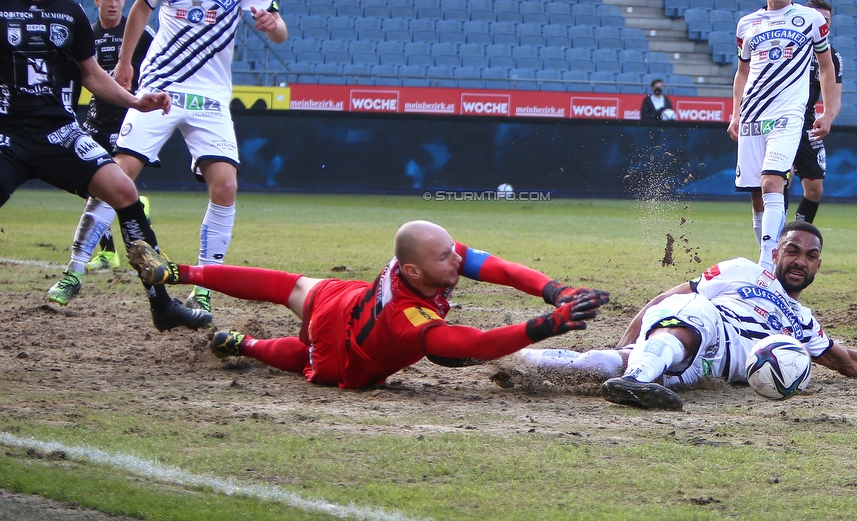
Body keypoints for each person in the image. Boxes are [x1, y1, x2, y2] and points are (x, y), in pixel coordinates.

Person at [0, 0, 210, 331]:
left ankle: (162, 305)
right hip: (7, 135)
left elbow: (93, 76)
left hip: (59, 133)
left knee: (124, 191)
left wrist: (136, 100)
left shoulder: (70, 13)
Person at [520, 221, 857, 410]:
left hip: (716, 368)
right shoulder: (740, 271)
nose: (800, 261)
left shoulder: (802, 320)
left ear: (817, 266)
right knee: (691, 312)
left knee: (598, 366)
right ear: (776, 252)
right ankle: (517, 359)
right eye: (792, 250)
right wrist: (630, 339)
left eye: (810, 256)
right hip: (704, 324)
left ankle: (629, 374)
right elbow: (667, 298)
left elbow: (850, 362)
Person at [126, 220, 611, 389]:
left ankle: (177, 272)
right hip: (349, 352)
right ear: (415, 272)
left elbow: (500, 268)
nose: (456, 260)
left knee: (286, 286)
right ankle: (246, 344)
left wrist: (554, 291)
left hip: (347, 302)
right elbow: (478, 346)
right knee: (307, 360)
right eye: (447, 257)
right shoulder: (409, 319)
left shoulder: (418, 262)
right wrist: (553, 322)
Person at [112, 0, 288, 315]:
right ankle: (74, 268)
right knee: (116, 176)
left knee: (226, 186)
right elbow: (139, 9)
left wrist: (271, 26)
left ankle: (205, 285)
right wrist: (125, 61)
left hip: (210, 98)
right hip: (161, 88)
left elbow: (281, 31)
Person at [47, 0, 156, 305]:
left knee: (110, 186)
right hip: (96, 119)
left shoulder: (138, 33)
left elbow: (158, 65)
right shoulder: (88, 34)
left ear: (124, 1)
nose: (112, 3)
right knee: (91, 189)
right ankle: (108, 252)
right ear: (97, 2)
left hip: (129, 119)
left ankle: (88, 261)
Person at [728, 0, 839, 271]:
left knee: (771, 182)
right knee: (757, 195)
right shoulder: (746, 24)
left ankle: (765, 266)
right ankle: (768, 258)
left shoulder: (810, 19)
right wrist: (735, 114)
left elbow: (827, 66)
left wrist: (828, 113)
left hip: (788, 114)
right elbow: (742, 72)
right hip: (751, 115)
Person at [793, 0, 843, 224]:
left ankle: (797, 234)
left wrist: (828, 116)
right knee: (775, 182)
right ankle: (770, 242)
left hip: (806, 122)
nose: (823, 23)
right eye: (819, 18)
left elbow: (834, 97)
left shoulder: (832, 56)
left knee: (815, 188)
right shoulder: (789, 44)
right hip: (777, 118)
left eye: (827, 20)